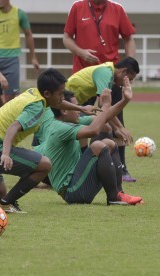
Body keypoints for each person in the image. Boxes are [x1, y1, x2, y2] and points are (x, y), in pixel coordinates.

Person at [0, 68, 98, 213]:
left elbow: (58, 103)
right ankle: (7, 203)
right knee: (44, 165)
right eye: (60, 93)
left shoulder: (34, 93)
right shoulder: (36, 106)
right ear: (47, 94)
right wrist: (5, 153)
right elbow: (13, 127)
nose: (62, 97)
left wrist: (80, 108)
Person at [63, 0, 137, 182]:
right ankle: (78, 164)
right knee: (78, 123)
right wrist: (80, 52)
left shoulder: (117, 9)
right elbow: (66, 37)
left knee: (115, 119)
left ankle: (121, 168)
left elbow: (129, 38)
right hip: (84, 77)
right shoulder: (77, 7)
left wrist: (129, 66)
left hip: (114, 76)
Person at [33, 86, 142, 205]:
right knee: (98, 146)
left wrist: (124, 100)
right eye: (75, 106)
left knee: (109, 143)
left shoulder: (71, 121)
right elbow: (94, 131)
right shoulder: (59, 128)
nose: (79, 109)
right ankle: (113, 198)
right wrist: (105, 105)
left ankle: (119, 194)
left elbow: (102, 117)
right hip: (70, 191)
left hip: (78, 182)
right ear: (64, 110)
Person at [66, 57, 139, 147]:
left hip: (72, 106)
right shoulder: (105, 73)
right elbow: (103, 105)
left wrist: (116, 128)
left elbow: (104, 108)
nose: (130, 83)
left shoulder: (109, 72)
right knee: (103, 127)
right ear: (123, 71)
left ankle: (91, 156)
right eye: (130, 79)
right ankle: (91, 155)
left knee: (104, 126)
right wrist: (119, 128)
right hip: (65, 106)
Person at [0, 0, 40, 111]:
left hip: (12, 59)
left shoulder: (19, 14)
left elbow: (28, 34)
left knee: (10, 95)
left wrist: (33, 57)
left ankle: (5, 119)